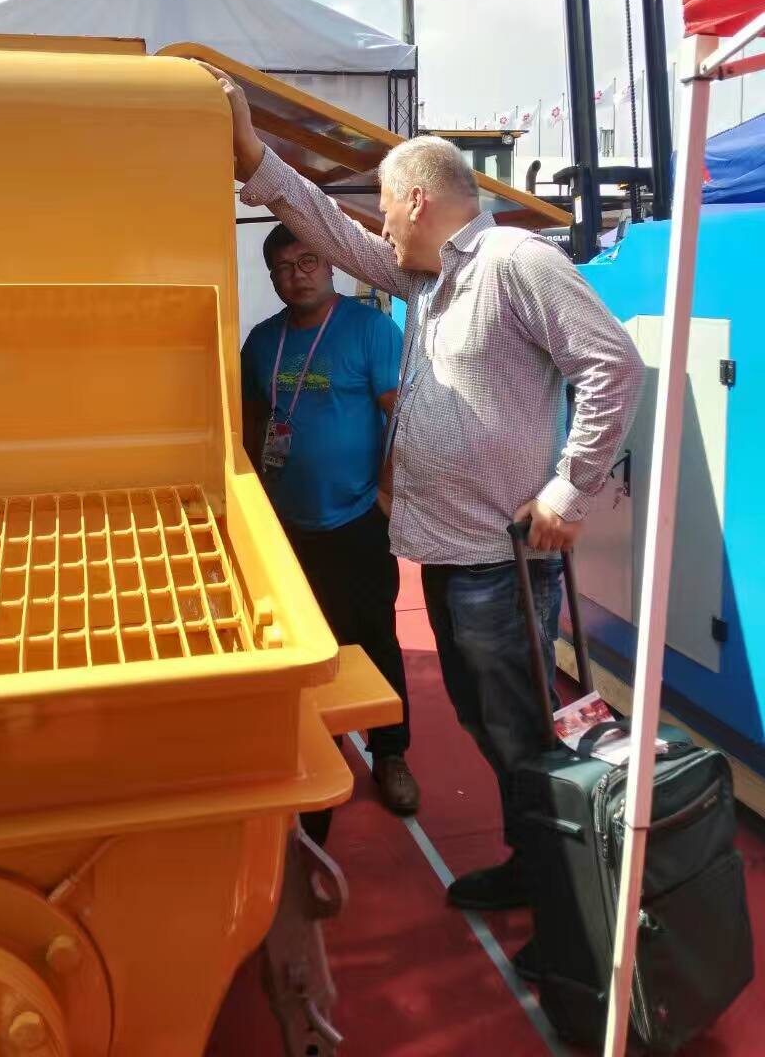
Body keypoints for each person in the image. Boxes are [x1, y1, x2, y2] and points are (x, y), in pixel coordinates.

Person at [203, 61, 643, 977]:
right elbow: (329, 228)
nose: (379, 227)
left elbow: (612, 363)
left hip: (502, 561)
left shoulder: (516, 263)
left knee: (523, 734)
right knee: (490, 726)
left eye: (385, 208)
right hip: (452, 554)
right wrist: (252, 152)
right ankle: (533, 865)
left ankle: (573, 924)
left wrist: (568, 489)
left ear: (413, 200)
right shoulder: (429, 280)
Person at [241, 222, 419, 817]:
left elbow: (402, 420)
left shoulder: (370, 330)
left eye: (308, 261)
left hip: (358, 518)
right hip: (286, 526)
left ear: (331, 265)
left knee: (374, 637)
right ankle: (325, 749)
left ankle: (391, 753)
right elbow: (251, 421)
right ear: (273, 278)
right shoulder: (262, 342)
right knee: (308, 645)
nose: (298, 276)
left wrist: (385, 496)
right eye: (283, 268)